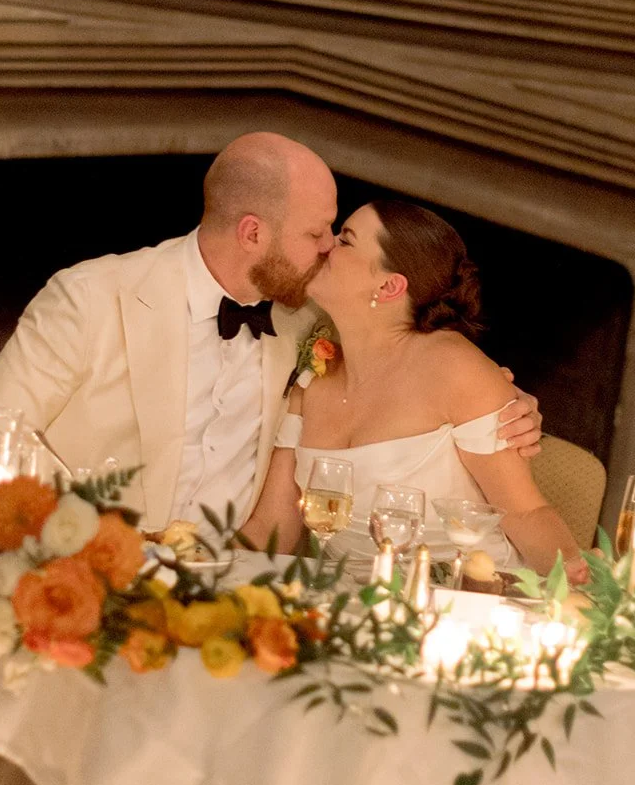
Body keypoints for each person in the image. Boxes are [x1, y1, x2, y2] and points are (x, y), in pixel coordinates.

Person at [0, 133, 543, 532]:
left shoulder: (313, 319)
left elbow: (409, 354)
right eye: (317, 232)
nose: (329, 248)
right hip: (90, 566)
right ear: (252, 234)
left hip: (237, 586)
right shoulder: (91, 298)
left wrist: (506, 400)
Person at [241, 196, 585, 581]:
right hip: (349, 602)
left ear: (389, 286)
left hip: (464, 593)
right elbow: (274, 526)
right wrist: (194, 569)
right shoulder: (312, 378)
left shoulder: (456, 370)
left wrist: (573, 588)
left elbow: (526, 513)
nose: (326, 244)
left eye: (345, 240)